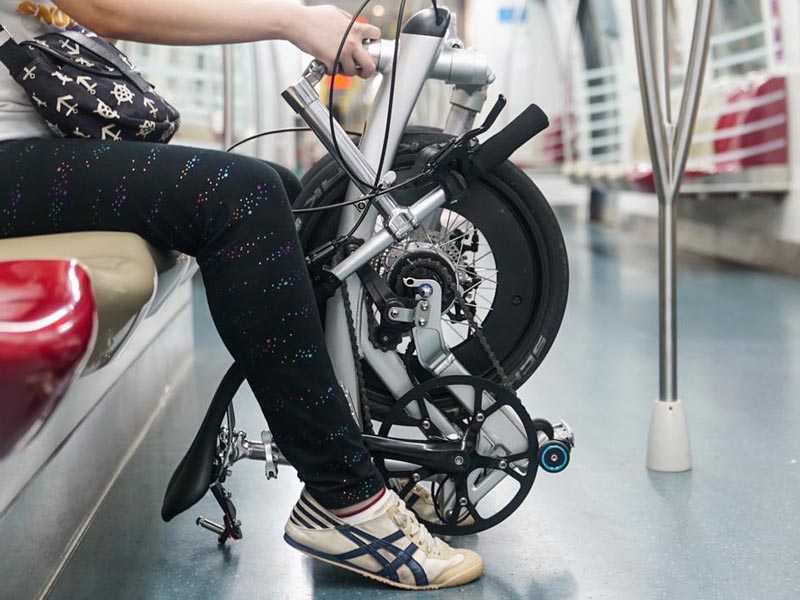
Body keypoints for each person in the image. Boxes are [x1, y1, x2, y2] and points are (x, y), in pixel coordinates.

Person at [0, 0, 483, 591]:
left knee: (284, 191)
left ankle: (360, 451)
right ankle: (345, 497)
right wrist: (290, 21)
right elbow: (106, 9)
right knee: (244, 197)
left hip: (31, 142)